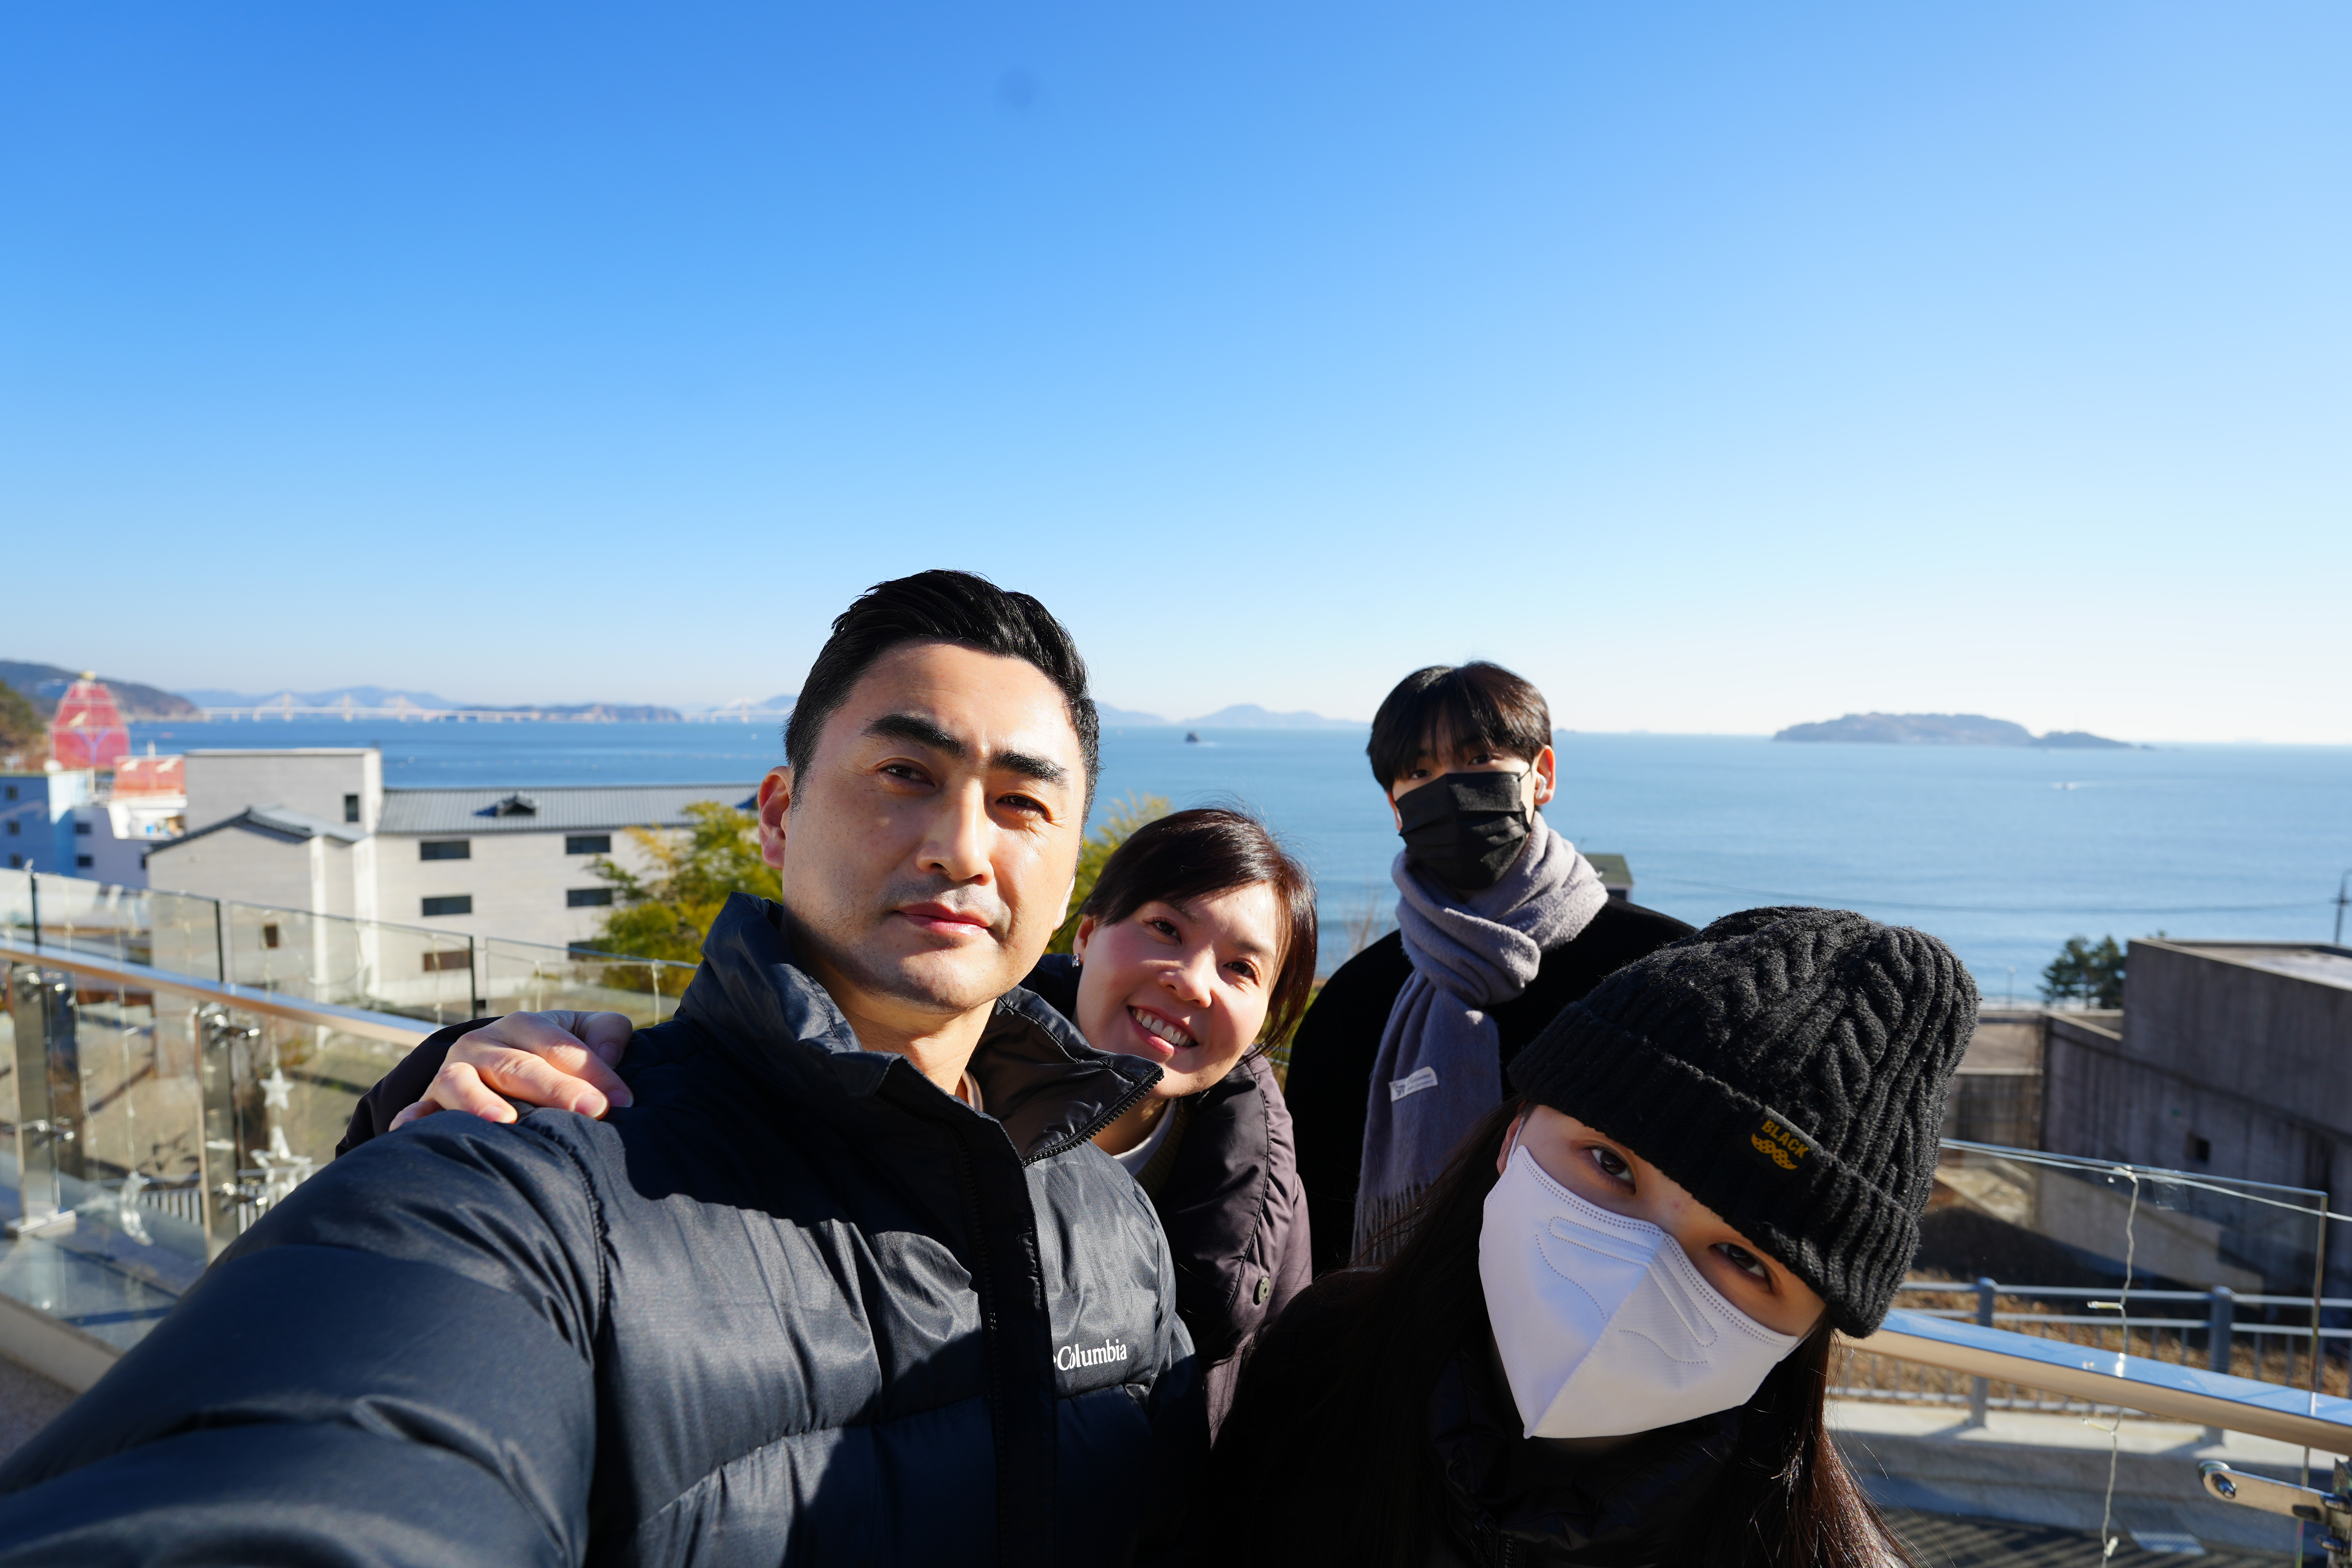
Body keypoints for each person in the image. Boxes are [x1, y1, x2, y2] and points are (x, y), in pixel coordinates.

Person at [0, 571, 1201, 1566]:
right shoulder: (544, 1171)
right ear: (779, 816)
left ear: (1069, 877)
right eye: (906, 775)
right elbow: (327, 1455)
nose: (961, 846)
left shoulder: (1109, 1224)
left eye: (1021, 804)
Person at [348, 807, 1319, 1431]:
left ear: (1272, 1021)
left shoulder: (1264, 1190)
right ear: (1088, 931)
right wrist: (455, 1076)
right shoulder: (921, 1060)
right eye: (1165, 929)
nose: (1191, 982)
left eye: (1242, 969)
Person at [1209, 905, 1976, 1568]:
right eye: (1610, 1164)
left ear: (1810, 1328)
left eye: (1743, 1255)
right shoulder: (1316, 1365)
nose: (1633, 1273)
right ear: (1514, 1133)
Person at [1283, 661, 1694, 1272]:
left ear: (1542, 775)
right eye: (1419, 772)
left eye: (1479, 760)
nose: (1450, 788)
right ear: (1396, 807)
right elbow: (1316, 1216)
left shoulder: (1662, 971)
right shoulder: (1354, 1003)